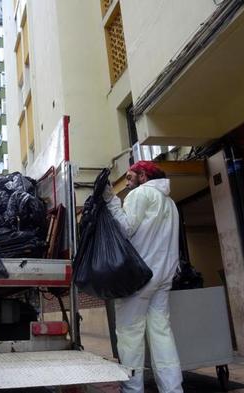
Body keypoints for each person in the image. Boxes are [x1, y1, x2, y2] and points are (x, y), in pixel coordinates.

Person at [103, 161, 183, 393]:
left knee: (130, 335)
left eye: (130, 177)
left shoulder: (140, 194)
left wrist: (111, 201)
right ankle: (172, 389)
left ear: (143, 176)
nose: (127, 183)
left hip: (139, 278)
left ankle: (132, 389)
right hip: (164, 276)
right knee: (162, 334)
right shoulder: (170, 203)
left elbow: (126, 228)